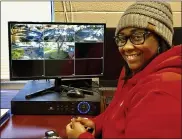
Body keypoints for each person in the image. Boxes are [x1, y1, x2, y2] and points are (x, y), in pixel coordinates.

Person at [66, 1, 181, 138]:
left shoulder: (161, 93)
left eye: (137, 37)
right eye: (122, 38)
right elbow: (119, 111)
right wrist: (96, 123)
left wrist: (81, 137)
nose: (126, 47)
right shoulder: (131, 71)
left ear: (162, 39)